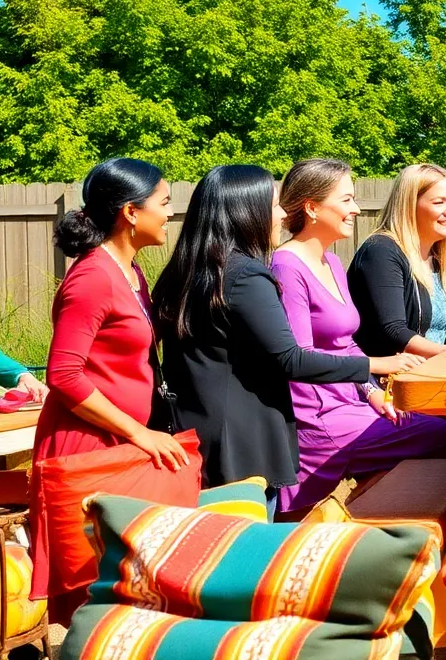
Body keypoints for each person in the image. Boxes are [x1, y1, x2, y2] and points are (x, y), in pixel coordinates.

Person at [152, 165, 420, 512]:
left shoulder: (186, 272)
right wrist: (378, 363)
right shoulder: (247, 275)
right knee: (251, 546)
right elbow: (291, 359)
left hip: (200, 433)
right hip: (245, 442)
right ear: (246, 211)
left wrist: (367, 388)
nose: (281, 215)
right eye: (274, 205)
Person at [32, 157, 186, 625]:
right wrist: (140, 434)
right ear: (131, 212)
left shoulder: (131, 272)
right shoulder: (94, 278)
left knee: (128, 592)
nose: (171, 213)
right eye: (164, 202)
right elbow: (63, 374)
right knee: (94, 599)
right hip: (86, 446)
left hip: (117, 445)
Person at [273, 159, 446, 513]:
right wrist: (380, 363)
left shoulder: (332, 264)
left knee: (433, 432)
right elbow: (297, 358)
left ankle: (380, 521)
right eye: (346, 200)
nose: (356, 209)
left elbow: (346, 342)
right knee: (445, 434)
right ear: (312, 207)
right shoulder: (286, 266)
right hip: (318, 414)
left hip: (351, 402)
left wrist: (373, 392)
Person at [348, 164, 446, 358]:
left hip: (436, 372)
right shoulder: (381, 251)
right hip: (389, 378)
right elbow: (394, 331)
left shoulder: (442, 257)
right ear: (409, 206)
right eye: (439, 203)